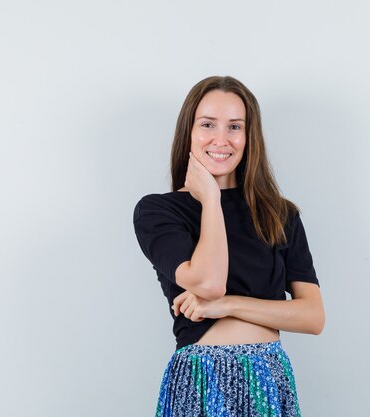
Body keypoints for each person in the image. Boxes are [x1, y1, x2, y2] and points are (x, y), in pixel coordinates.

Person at [132, 75, 325, 417]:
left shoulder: (280, 214)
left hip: (267, 377)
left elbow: (312, 317)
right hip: (201, 379)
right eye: (208, 124)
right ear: (188, 132)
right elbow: (208, 282)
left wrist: (227, 305)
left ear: (250, 137)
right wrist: (210, 199)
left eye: (235, 126)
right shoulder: (158, 211)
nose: (222, 139)